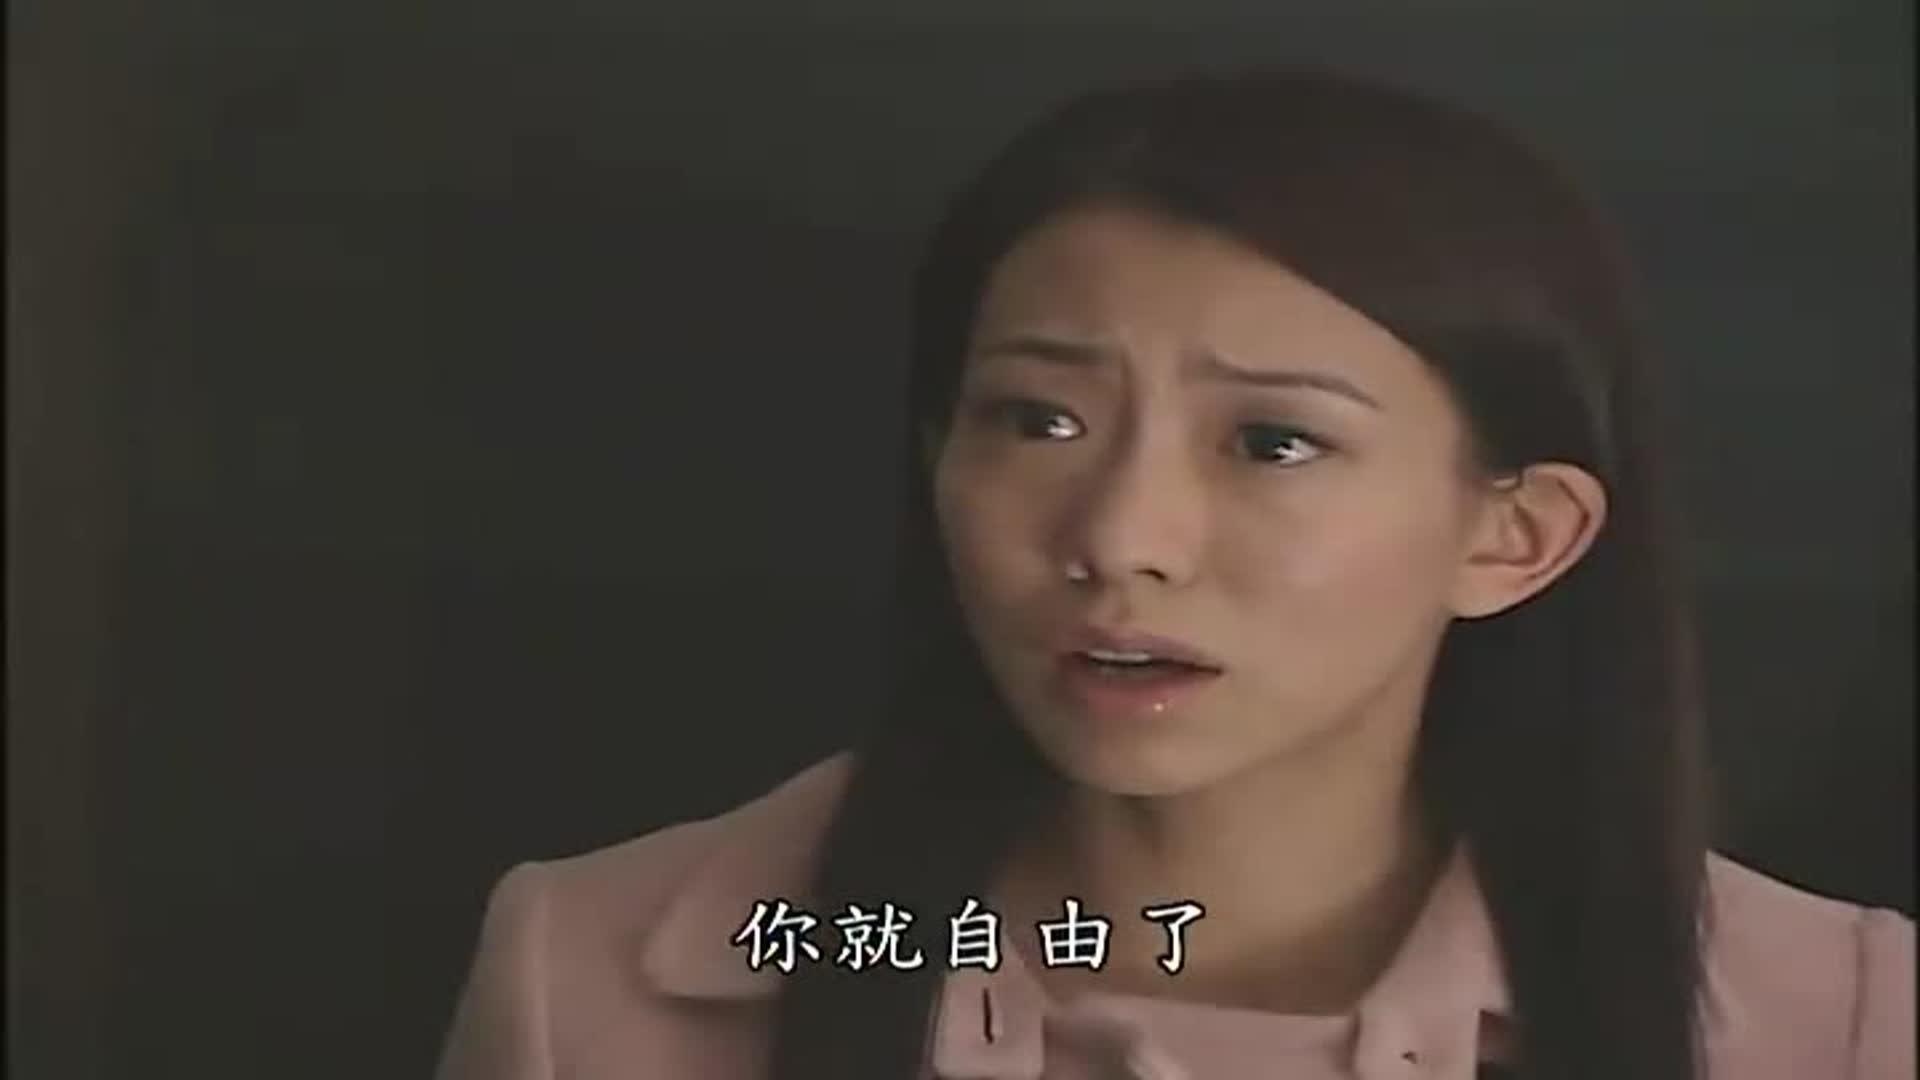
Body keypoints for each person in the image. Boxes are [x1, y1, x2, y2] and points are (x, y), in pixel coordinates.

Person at [433, 67, 1914, 1080]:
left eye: (1273, 442)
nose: (1121, 536)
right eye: (1038, 420)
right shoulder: (599, 976)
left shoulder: (1841, 1025)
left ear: (1510, 536)